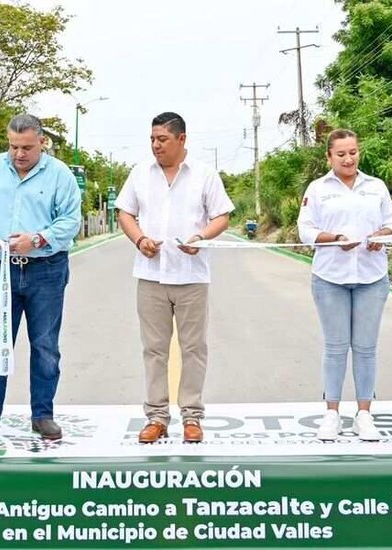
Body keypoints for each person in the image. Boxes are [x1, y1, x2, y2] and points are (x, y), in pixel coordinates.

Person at [115, 112, 234, 444]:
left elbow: (222, 216)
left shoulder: (204, 174)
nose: (156, 145)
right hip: (151, 275)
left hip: (191, 276)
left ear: (181, 139)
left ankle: (192, 416)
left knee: (193, 348)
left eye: (162, 139)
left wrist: (200, 238)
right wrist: (140, 239)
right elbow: (125, 213)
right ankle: (156, 417)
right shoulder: (140, 172)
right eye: (152, 139)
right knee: (154, 350)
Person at [0, 113, 81, 444]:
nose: (19, 154)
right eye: (13, 146)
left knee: (45, 345)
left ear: (42, 142)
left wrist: (38, 239)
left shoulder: (60, 175)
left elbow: (70, 220)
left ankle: (42, 415)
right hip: (2, 268)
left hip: (47, 269)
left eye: (27, 147)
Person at [297, 129, 392, 442]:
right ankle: (331, 413)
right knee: (335, 347)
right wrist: (335, 238)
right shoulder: (318, 189)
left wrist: (382, 235)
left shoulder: (375, 186)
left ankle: (364, 414)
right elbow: (305, 230)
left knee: (366, 348)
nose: (348, 159)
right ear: (329, 156)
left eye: (353, 152)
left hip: (371, 277)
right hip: (331, 277)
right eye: (341, 154)